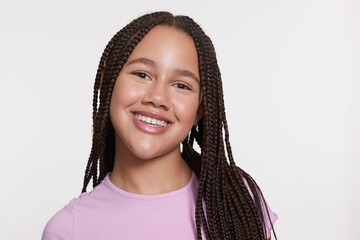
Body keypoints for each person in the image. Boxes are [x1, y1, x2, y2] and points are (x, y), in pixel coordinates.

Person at [42, 11, 278, 240]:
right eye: (142, 74)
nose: (157, 98)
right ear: (107, 81)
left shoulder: (236, 201)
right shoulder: (68, 230)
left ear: (200, 109)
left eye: (182, 86)